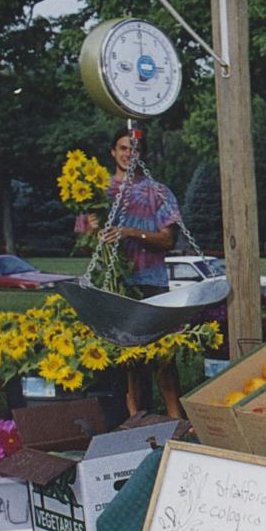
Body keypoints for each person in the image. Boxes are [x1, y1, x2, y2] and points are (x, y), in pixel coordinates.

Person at [97, 128, 184, 416]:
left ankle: (176, 418)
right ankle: (134, 419)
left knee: (164, 356)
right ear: (113, 151)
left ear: (142, 155)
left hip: (151, 282)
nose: (127, 154)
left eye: (134, 149)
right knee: (127, 360)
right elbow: (85, 236)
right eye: (122, 148)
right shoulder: (100, 191)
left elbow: (168, 239)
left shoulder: (157, 192)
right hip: (116, 284)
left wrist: (131, 232)